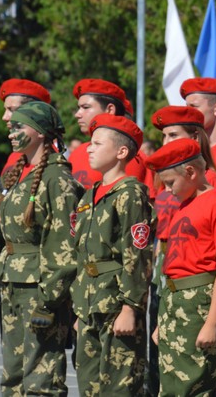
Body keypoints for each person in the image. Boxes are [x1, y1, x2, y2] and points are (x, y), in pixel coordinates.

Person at [0, 101, 84, 395]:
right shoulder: (21, 173)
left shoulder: (57, 179)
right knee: (13, 376)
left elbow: (64, 247)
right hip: (13, 281)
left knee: (41, 379)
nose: (11, 133)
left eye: (19, 126)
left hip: (40, 288)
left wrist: (50, 299)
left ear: (41, 132)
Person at [146, 139, 216, 395]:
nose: (167, 190)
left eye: (170, 183)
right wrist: (163, 321)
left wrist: (211, 323)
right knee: (171, 386)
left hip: (198, 302)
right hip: (174, 301)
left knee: (194, 383)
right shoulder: (183, 205)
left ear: (190, 172)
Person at [70, 114, 153, 396]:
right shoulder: (89, 195)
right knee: (89, 386)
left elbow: (137, 254)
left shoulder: (130, 194)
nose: (89, 149)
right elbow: (83, 254)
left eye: (97, 143)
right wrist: (80, 308)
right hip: (89, 304)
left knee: (119, 387)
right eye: (89, 143)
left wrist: (130, 308)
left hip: (116, 304)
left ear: (121, 152)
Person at [69, 79, 153, 190]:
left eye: (86, 107)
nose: (78, 114)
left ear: (110, 109)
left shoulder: (127, 157)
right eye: (79, 108)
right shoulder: (77, 152)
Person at [0, 78, 52, 176]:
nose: (4, 117)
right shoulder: (14, 158)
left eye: (12, 110)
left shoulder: (52, 165)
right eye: (5, 110)